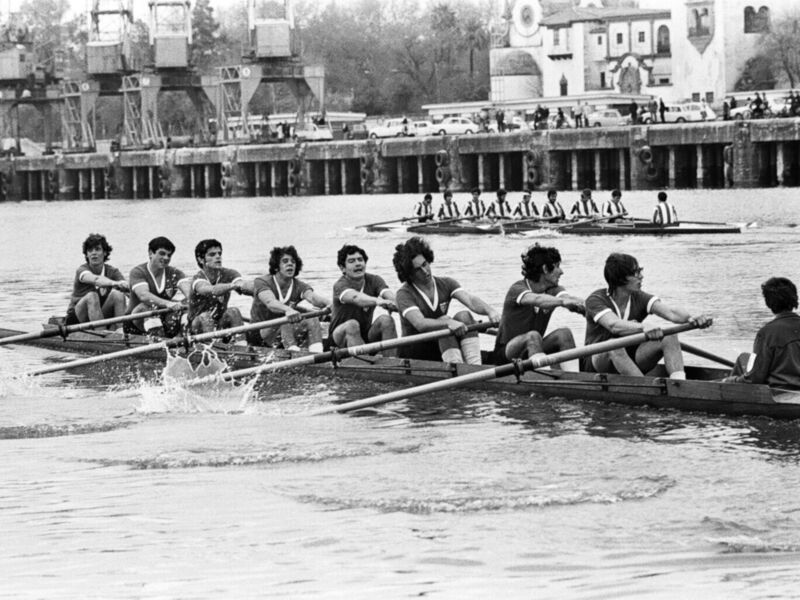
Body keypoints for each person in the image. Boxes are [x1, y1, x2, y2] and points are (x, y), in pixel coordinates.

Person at [583, 253, 712, 377]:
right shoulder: (596, 300)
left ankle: (679, 384)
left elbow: (671, 313)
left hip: (631, 359)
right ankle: (647, 390)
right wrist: (643, 327)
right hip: (597, 363)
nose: (641, 276)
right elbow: (613, 325)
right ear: (621, 278)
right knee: (614, 346)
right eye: (636, 272)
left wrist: (691, 318)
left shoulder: (639, 297)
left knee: (669, 335)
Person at [392, 236, 500, 364]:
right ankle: (461, 370)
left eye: (425, 264)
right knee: (443, 322)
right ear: (409, 274)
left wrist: (491, 311)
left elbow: (470, 300)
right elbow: (420, 324)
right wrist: (448, 323)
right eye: (417, 270)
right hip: (416, 352)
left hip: (442, 347)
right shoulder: (404, 294)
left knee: (464, 316)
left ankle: (474, 366)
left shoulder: (446, 283)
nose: (425, 271)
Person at [494, 244, 585, 369]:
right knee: (533, 336)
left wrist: (587, 309)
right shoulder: (517, 289)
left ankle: (574, 378)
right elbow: (538, 299)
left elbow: (570, 299)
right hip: (506, 354)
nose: (561, 272)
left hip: (535, 348)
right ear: (545, 269)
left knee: (564, 333)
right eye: (557, 266)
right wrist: (563, 302)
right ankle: (546, 382)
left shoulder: (554, 290)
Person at [723, 277, 800, 388]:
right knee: (743, 358)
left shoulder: (766, 333)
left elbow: (754, 378)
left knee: (731, 379)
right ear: (795, 299)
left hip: (778, 393)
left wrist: (730, 381)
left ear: (768, 303)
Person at [250, 245, 330, 352]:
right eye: (285, 261)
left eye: (293, 261)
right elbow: (270, 303)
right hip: (259, 333)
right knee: (285, 318)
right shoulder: (262, 282)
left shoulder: (299, 286)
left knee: (313, 319)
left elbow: (313, 298)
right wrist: (288, 309)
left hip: (280, 332)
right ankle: (293, 352)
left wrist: (330, 304)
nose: (290, 264)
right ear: (276, 267)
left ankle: (316, 353)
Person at [329, 244, 398, 354]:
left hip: (365, 335)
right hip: (338, 338)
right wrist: (378, 301)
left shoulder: (375, 280)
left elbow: (389, 295)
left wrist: (397, 304)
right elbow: (356, 298)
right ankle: (365, 365)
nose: (358, 264)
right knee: (352, 324)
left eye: (360, 260)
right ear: (343, 268)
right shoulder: (340, 285)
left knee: (386, 320)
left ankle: (394, 363)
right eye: (351, 261)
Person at [127, 236, 191, 337]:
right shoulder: (138, 272)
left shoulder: (175, 273)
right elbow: (144, 296)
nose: (166, 258)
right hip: (135, 323)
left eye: (169, 255)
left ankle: (184, 340)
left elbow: (189, 293)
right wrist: (168, 304)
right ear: (150, 253)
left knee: (188, 303)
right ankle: (161, 345)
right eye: (162, 253)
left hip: (162, 319)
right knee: (147, 306)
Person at [187, 239, 254, 335]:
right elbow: (213, 290)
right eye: (212, 255)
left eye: (219, 253)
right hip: (196, 329)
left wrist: (258, 288)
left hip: (218, 324)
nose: (218, 257)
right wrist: (233, 286)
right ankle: (212, 346)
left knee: (233, 312)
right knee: (205, 316)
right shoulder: (197, 279)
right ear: (201, 260)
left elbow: (243, 284)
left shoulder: (229, 273)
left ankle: (241, 344)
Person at [65, 233, 129, 328]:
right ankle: (102, 335)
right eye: (90, 250)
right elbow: (96, 280)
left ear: (105, 253)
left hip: (99, 315)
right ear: (86, 254)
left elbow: (129, 291)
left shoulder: (113, 272)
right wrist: (114, 283)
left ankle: (122, 333)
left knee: (118, 295)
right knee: (92, 296)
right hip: (77, 319)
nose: (93, 253)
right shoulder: (82, 270)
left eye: (97, 249)